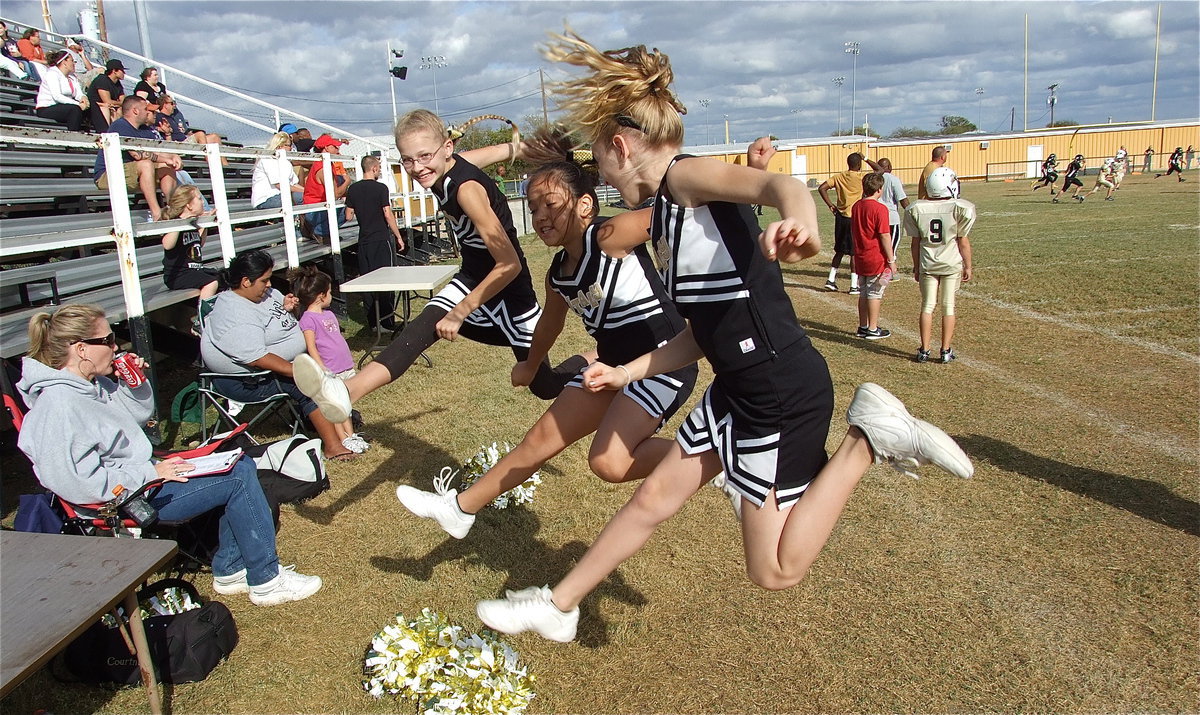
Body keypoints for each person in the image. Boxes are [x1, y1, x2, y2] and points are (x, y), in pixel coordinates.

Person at [473, 28, 973, 643]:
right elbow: (703, 334)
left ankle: (867, 442)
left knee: (776, 569)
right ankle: (561, 604)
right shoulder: (660, 214)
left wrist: (802, 222)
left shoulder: (683, 179)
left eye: (600, 160)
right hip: (736, 387)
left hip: (778, 391)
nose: (600, 175)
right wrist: (627, 373)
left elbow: (777, 187)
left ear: (622, 146)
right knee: (651, 499)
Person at [394, 129, 697, 540]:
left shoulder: (611, 236)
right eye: (533, 208)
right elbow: (550, 325)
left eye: (551, 205)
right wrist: (530, 364)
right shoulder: (557, 274)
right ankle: (459, 508)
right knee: (537, 441)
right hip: (609, 365)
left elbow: (671, 209)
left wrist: (747, 185)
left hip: (662, 362)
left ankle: (712, 461)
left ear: (586, 205)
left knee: (608, 463)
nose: (540, 217)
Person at [291, 110, 592, 423]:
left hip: (509, 293)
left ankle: (595, 357)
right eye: (408, 160)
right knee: (421, 328)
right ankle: (346, 390)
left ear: (447, 148)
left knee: (545, 385)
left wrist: (460, 312)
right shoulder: (444, 166)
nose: (417, 167)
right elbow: (506, 150)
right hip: (473, 277)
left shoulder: (466, 191)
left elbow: (510, 264)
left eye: (424, 156)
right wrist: (535, 147)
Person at [17, 304, 322, 605]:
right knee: (238, 476)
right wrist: (151, 474)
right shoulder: (58, 406)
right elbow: (74, 482)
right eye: (108, 341)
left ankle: (231, 570)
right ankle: (266, 580)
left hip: (143, 481)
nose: (115, 347)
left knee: (238, 461)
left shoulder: (91, 386)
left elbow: (136, 416)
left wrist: (133, 383)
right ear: (81, 349)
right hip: (122, 503)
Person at [199, 249, 361, 461]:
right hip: (248, 380)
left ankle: (338, 422)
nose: (269, 285)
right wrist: (301, 371)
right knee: (306, 385)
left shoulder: (263, 294)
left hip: (285, 363)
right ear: (246, 281)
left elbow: (282, 323)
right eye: (264, 280)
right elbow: (258, 358)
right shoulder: (233, 312)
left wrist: (290, 309)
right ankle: (333, 446)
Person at [289, 266, 368, 455]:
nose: (332, 296)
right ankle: (343, 439)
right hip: (330, 370)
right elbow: (311, 346)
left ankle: (351, 436)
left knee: (346, 404)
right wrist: (322, 368)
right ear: (321, 296)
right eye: (330, 292)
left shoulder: (329, 315)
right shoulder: (307, 319)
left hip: (344, 366)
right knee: (335, 407)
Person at [905, 167, 975, 364]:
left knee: (927, 306)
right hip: (951, 262)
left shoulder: (916, 208)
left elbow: (915, 243)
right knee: (948, 306)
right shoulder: (960, 207)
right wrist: (968, 266)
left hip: (928, 262)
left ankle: (924, 350)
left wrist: (916, 266)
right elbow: (963, 241)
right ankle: (945, 350)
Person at [344, 155, 406, 331]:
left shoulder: (353, 189)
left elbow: (348, 216)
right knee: (387, 280)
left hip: (364, 240)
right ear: (374, 169)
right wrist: (398, 236)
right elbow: (387, 214)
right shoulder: (381, 188)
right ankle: (387, 322)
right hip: (381, 239)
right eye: (378, 167)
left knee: (368, 281)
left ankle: (373, 323)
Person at [93, 96, 180, 221]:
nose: (148, 112)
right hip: (107, 175)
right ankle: (157, 213)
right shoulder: (120, 126)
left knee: (167, 167)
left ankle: (171, 210)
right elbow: (137, 155)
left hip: (133, 172)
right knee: (146, 164)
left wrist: (173, 157)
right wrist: (166, 158)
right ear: (135, 111)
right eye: (145, 109)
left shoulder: (145, 129)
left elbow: (158, 151)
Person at [817, 152, 874, 294]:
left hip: (841, 217)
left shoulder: (839, 176)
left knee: (840, 250)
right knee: (854, 252)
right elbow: (879, 170)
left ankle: (831, 279)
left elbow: (821, 188)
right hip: (854, 217)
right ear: (859, 165)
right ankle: (854, 285)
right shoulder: (862, 177)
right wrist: (866, 158)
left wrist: (831, 205)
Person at [851, 172, 895, 340]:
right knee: (874, 292)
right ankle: (873, 328)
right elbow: (884, 235)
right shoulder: (880, 209)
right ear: (879, 189)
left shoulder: (856, 206)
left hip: (860, 255)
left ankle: (863, 326)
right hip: (875, 256)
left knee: (863, 292)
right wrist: (891, 260)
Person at [159, 185, 218, 299]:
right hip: (178, 275)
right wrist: (179, 224)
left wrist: (206, 224)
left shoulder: (193, 224)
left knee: (221, 276)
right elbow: (167, 244)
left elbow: (199, 243)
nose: (202, 202)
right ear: (189, 205)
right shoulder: (177, 223)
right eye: (199, 199)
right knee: (212, 282)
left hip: (194, 270)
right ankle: (203, 315)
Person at [300, 134, 349, 240]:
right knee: (350, 208)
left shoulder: (324, 164)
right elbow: (335, 194)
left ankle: (320, 230)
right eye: (335, 147)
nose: (338, 149)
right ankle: (320, 232)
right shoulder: (322, 167)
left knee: (348, 203)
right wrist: (347, 182)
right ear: (326, 148)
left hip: (315, 207)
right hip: (314, 210)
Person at [33, 50, 87, 131]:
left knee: (91, 107)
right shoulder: (52, 74)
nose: (74, 63)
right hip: (47, 107)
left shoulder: (72, 77)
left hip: (65, 106)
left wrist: (83, 98)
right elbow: (57, 96)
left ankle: (101, 135)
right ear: (64, 62)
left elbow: (78, 93)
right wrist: (78, 104)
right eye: (72, 61)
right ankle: (73, 138)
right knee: (75, 110)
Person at [251, 131, 304, 210]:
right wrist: (306, 191)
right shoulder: (267, 160)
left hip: (282, 195)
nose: (291, 148)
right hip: (265, 199)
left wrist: (309, 191)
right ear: (280, 146)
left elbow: (294, 183)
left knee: (312, 197)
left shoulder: (286, 162)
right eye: (289, 145)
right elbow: (279, 185)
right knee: (302, 197)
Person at [875, 157, 910, 259]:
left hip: (877, 218)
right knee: (891, 249)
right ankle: (889, 269)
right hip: (891, 218)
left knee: (880, 247)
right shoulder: (893, 179)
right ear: (890, 167)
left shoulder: (874, 179)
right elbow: (903, 199)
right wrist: (911, 213)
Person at [87, 59, 125, 132]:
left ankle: (119, 132)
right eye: (122, 70)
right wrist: (118, 103)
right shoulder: (102, 80)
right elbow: (107, 101)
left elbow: (123, 100)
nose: (124, 73)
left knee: (120, 110)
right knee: (108, 108)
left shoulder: (118, 84)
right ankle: (107, 132)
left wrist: (117, 103)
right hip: (95, 109)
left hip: (110, 107)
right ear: (114, 71)